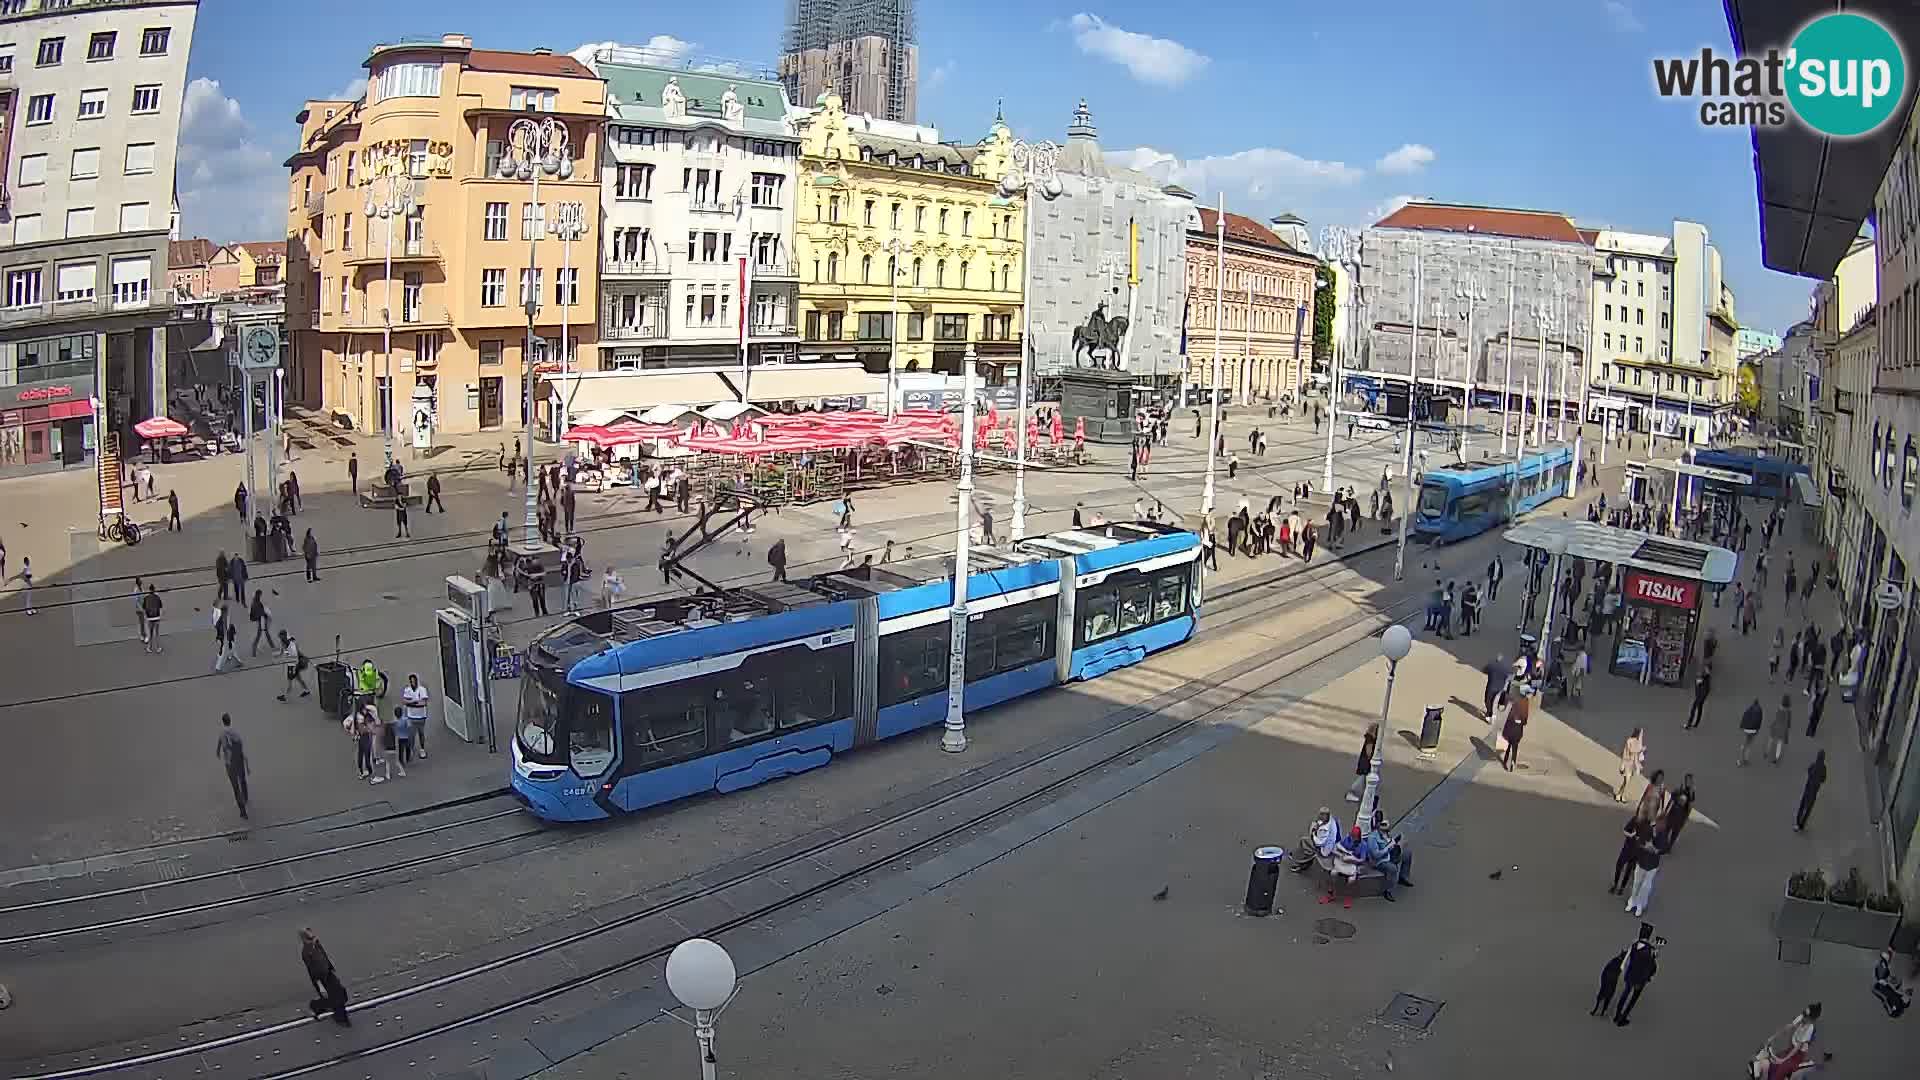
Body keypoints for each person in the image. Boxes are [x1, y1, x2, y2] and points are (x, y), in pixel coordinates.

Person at [300, 929, 351, 1026]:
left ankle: (316, 1006)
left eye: (313, 936)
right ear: (305, 940)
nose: (314, 939)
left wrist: (330, 967)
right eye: (311, 938)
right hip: (321, 979)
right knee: (336, 998)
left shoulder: (317, 944)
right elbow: (312, 971)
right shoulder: (306, 953)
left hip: (328, 973)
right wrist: (320, 986)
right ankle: (341, 1018)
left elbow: (324, 956)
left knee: (339, 994)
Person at [1613, 923, 1660, 1025]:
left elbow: (1628, 959)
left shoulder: (1634, 945)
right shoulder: (1650, 950)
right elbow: (1651, 966)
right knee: (1633, 999)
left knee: (1625, 995)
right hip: (1640, 978)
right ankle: (1623, 1017)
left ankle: (1617, 1015)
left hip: (1630, 974)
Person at [215, 713, 249, 819]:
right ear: (230, 720)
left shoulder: (221, 733)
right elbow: (240, 745)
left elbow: (220, 745)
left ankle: (243, 811)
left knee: (235, 787)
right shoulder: (235, 732)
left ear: (223, 721)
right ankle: (246, 798)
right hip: (239, 760)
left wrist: (218, 752)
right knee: (242, 779)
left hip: (230, 764)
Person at [1290, 807, 1341, 871]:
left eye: (1321, 815)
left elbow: (1319, 843)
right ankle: (1301, 856)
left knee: (1304, 842)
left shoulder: (1325, 830)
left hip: (1324, 849)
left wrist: (1313, 832)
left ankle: (1302, 862)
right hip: (1327, 843)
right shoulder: (1330, 820)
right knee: (1306, 842)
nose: (1319, 816)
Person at [1611, 816, 1651, 895]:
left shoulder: (1648, 825)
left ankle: (1621, 887)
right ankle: (1615, 884)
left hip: (1636, 851)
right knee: (1619, 865)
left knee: (1628, 870)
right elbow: (1625, 830)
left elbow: (1647, 840)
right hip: (1628, 848)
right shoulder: (1635, 819)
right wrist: (1631, 835)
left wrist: (1641, 840)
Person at [1661, 774, 1697, 852]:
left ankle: (1668, 847)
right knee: (1667, 829)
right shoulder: (1681, 788)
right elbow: (1672, 797)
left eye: (1689, 780)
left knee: (1675, 832)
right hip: (1673, 811)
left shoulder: (1691, 792)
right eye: (1687, 780)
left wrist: (1686, 818)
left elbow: (1690, 806)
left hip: (1681, 815)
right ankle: (1664, 844)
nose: (1688, 782)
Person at [1874, 948, 1913, 1017]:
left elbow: (1885, 999)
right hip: (1889, 987)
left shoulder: (1882, 985)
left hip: (1885, 985)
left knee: (1882, 977)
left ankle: (1887, 957)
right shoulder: (1901, 1001)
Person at [1795, 750, 1827, 832]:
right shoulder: (1824, 768)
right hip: (1814, 791)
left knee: (1802, 805)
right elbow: (1823, 779)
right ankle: (1802, 824)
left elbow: (1809, 771)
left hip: (1807, 788)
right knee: (1808, 808)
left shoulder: (1813, 765)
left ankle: (1797, 822)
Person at [1346, 723, 1377, 802]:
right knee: (1364, 777)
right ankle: (1352, 792)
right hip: (1367, 761)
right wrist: (1372, 758)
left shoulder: (1370, 738)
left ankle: (1365, 794)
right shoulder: (1370, 739)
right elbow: (1369, 750)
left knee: (1366, 778)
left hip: (1365, 760)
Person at [1501, 685, 1530, 771]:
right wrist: (1523, 722)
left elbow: (1504, 707)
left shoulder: (1509, 698)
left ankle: (1505, 760)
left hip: (1509, 723)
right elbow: (1525, 715)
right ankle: (1513, 761)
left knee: (1508, 743)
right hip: (1518, 725)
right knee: (1515, 745)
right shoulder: (1525, 701)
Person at [277, 630, 311, 701]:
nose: (280, 639)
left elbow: (296, 654)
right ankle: (307, 690)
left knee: (289, 680)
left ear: (285, 636)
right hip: (292, 663)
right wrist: (277, 656)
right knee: (298, 679)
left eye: (281, 637)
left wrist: (296, 665)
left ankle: (285, 697)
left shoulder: (291, 643)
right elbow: (282, 652)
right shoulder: (283, 642)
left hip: (293, 664)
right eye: (280, 637)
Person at [1591, 946, 1625, 1016]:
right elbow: (1617, 972)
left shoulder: (1615, 960)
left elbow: (1606, 970)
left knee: (1602, 994)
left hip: (1607, 979)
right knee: (1608, 995)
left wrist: (1603, 980)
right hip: (1611, 980)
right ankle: (1602, 1011)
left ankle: (1596, 1009)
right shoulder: (1620, 963)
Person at [403, 674, 430, 759]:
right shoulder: (407, 690)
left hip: (421, 716)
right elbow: (404, 701)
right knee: (411, 735)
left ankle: (422, 749)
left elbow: (423, 703)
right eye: (411, 681)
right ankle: (411, 750)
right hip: (411, 716)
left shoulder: (422, 690)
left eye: (414, 681)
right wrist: (415, 702)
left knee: (421, 734)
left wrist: (411, 703)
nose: (413, 683)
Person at [1615, 728, 1645, 803]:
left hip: (1631, 765)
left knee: (1626, 782)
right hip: (1626, 763)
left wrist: (1637, 765)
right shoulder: (1629, 741)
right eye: (1640, 733)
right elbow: (1629, 752)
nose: (1640, 735)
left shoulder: (1637, 742)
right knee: (1627, 781)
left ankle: (1619, 795)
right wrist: (1622, 765)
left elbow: (1635, 755)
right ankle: (1621, 795)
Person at [1482, 654, 1510, 722]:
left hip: (1491, 686)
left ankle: (1489, 715)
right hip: (1500, 688)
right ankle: (1493, 715)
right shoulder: (1505, 668)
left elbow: (1484, 670)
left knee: (1488, 700)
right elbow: (1507, 677)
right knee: (1494, 701)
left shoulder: (1492, 665)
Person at [1686, 664, 1713, 729]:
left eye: (1706, 668)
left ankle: (1689, 724)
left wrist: (1697, 680)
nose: (1705, 669)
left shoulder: (1705, 677)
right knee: (1699, 709)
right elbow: (1707, 688)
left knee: (1693, 709)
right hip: (1701, 696)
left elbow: (1699, 684)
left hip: (1700, 696)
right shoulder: (1707, 677)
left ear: (1708, 669)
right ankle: (1696, 724)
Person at [1739, 698, 1765, 766]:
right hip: (1754, 730)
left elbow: (1744, 717)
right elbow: (1760, 721)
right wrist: (1757, 730)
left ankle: (1740, 760)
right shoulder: (1760, 710)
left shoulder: (1749, 709)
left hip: (1746, 729)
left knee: (1744, 744)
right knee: (1749, 745)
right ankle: (1746, 760)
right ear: (1758, 703)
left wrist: (1741, 726)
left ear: (1753, 703)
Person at [248, 589, 273, 656]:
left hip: (260, 620)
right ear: (258, 594)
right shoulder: (256, 603)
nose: (260, 596)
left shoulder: (255, 601)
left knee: (264, 634)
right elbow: (260, 613)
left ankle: (272, 646)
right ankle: (254, 650)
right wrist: (266, 615)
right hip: (261, 620)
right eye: (260, 594)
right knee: (260, 635)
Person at [1770, 693, 1794, 764]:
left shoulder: (1779, 708)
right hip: (1784, 728)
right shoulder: (1789, 711)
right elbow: (1789, 720)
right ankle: (1776, 757)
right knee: (1779, 743)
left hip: (1777, 726)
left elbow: (1776, 717)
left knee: (1773, 738)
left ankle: (1768, 751)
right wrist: (1788, 727)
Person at [141, 584, 164, 654]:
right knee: (157, 634)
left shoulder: (146, 598)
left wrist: (146, 617)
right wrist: (160, 616)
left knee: (150, 634)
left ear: (149, 590)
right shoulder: (157, 597)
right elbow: (160, 608)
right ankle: (158, 648)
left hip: (149, 618)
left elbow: (144, 609)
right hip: (156, 618)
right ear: (154, 589)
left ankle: (149, 647)